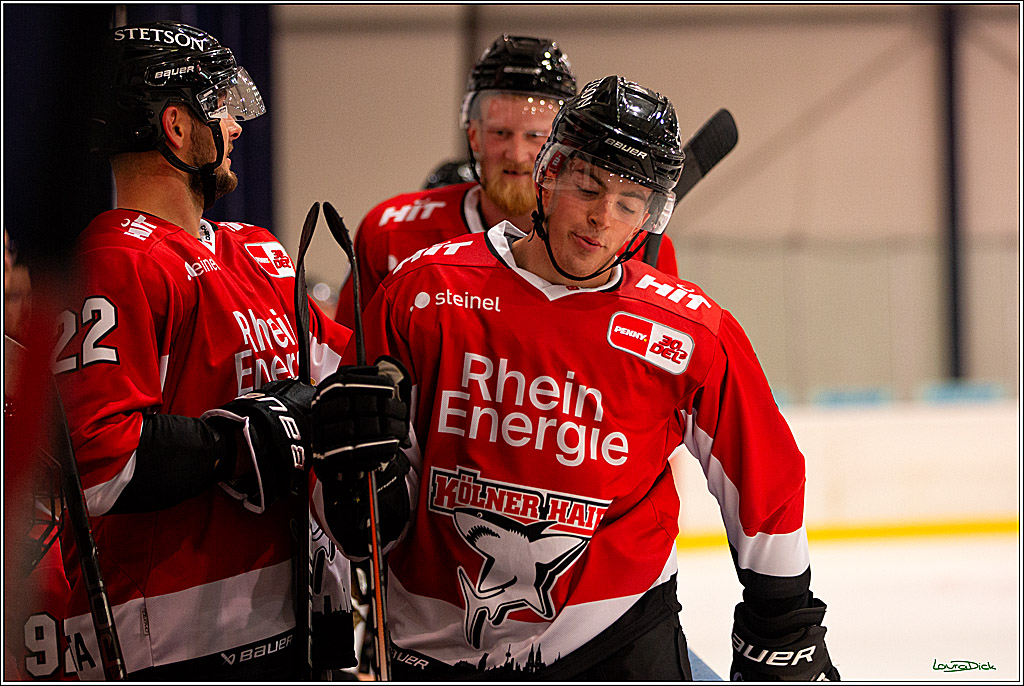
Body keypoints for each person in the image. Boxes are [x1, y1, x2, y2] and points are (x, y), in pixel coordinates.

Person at [310, 75, 840, 680]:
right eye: (588, 187)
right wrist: (358, 490)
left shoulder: (689, 332)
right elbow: (366, 486)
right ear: (549, 174)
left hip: (617, 640)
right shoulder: (424, 291)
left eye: (628, 204)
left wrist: (782, 613)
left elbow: (763, 474)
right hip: (437, 646)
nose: (600, 218)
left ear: (649, 216)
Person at [52, 22, 363, 680]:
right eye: (222, 108)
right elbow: (102, 464)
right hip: (174, 639)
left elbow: (341, 375)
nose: (237, 127)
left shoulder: (257, 250)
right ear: (176, 126)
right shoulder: (115, 258)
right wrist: (233, 442)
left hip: (292, 614)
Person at [333, 35, 679, 330]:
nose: (517, 154)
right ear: (474, 136)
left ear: (561, 151)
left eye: (535, 136)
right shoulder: (391, 231)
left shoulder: (640, 248)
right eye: (500, 133)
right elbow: (346, 358)